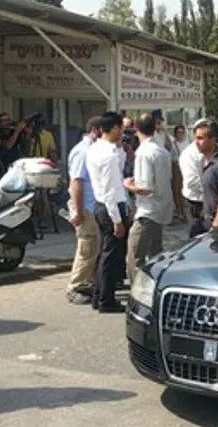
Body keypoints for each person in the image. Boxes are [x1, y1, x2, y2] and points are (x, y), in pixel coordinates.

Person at [86, 112, 130, 313]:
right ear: (113, 128)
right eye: (120, 128)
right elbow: (111, 189)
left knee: (105, 253)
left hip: (101, 205)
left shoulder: (96, 149)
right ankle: (106, 299)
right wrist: (117, 220)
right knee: (111, 256)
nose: (122, 132)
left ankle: (99, 295)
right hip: (111, 207)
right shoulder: (108, 156)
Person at [123, 113, 173, 284]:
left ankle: (138, 293)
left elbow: (145, 188)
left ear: (136, 129)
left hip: (148, 212)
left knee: (134, 255)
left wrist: (128, 185)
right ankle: (157, 288)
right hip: (161, 208)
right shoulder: (162, 151)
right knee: (156, 255)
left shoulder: (144, 153)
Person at [65, 116, 103, 305]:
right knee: (86, 249)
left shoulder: (94, 150)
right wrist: (79, 211)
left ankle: (88, 283)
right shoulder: (82, 152)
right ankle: (75, 286)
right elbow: (76, 182)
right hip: (85, 207)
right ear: (95, 130)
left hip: (93, 207)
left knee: (94, 247)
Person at [179, 127, 205, 238]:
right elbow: (192, 181)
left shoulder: (215, 151)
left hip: (210, 200)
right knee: (197, 236)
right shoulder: (189, 154)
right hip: (196, 202)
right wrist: (214, 190)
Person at [170, 125, 189, 223]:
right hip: (176, 168)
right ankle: (179, 210)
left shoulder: (188, 144)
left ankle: (184, 211)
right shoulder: (172, 144)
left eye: (182, 133)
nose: (181, 135)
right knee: (177, 191)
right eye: (179, 133)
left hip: (186, 169)